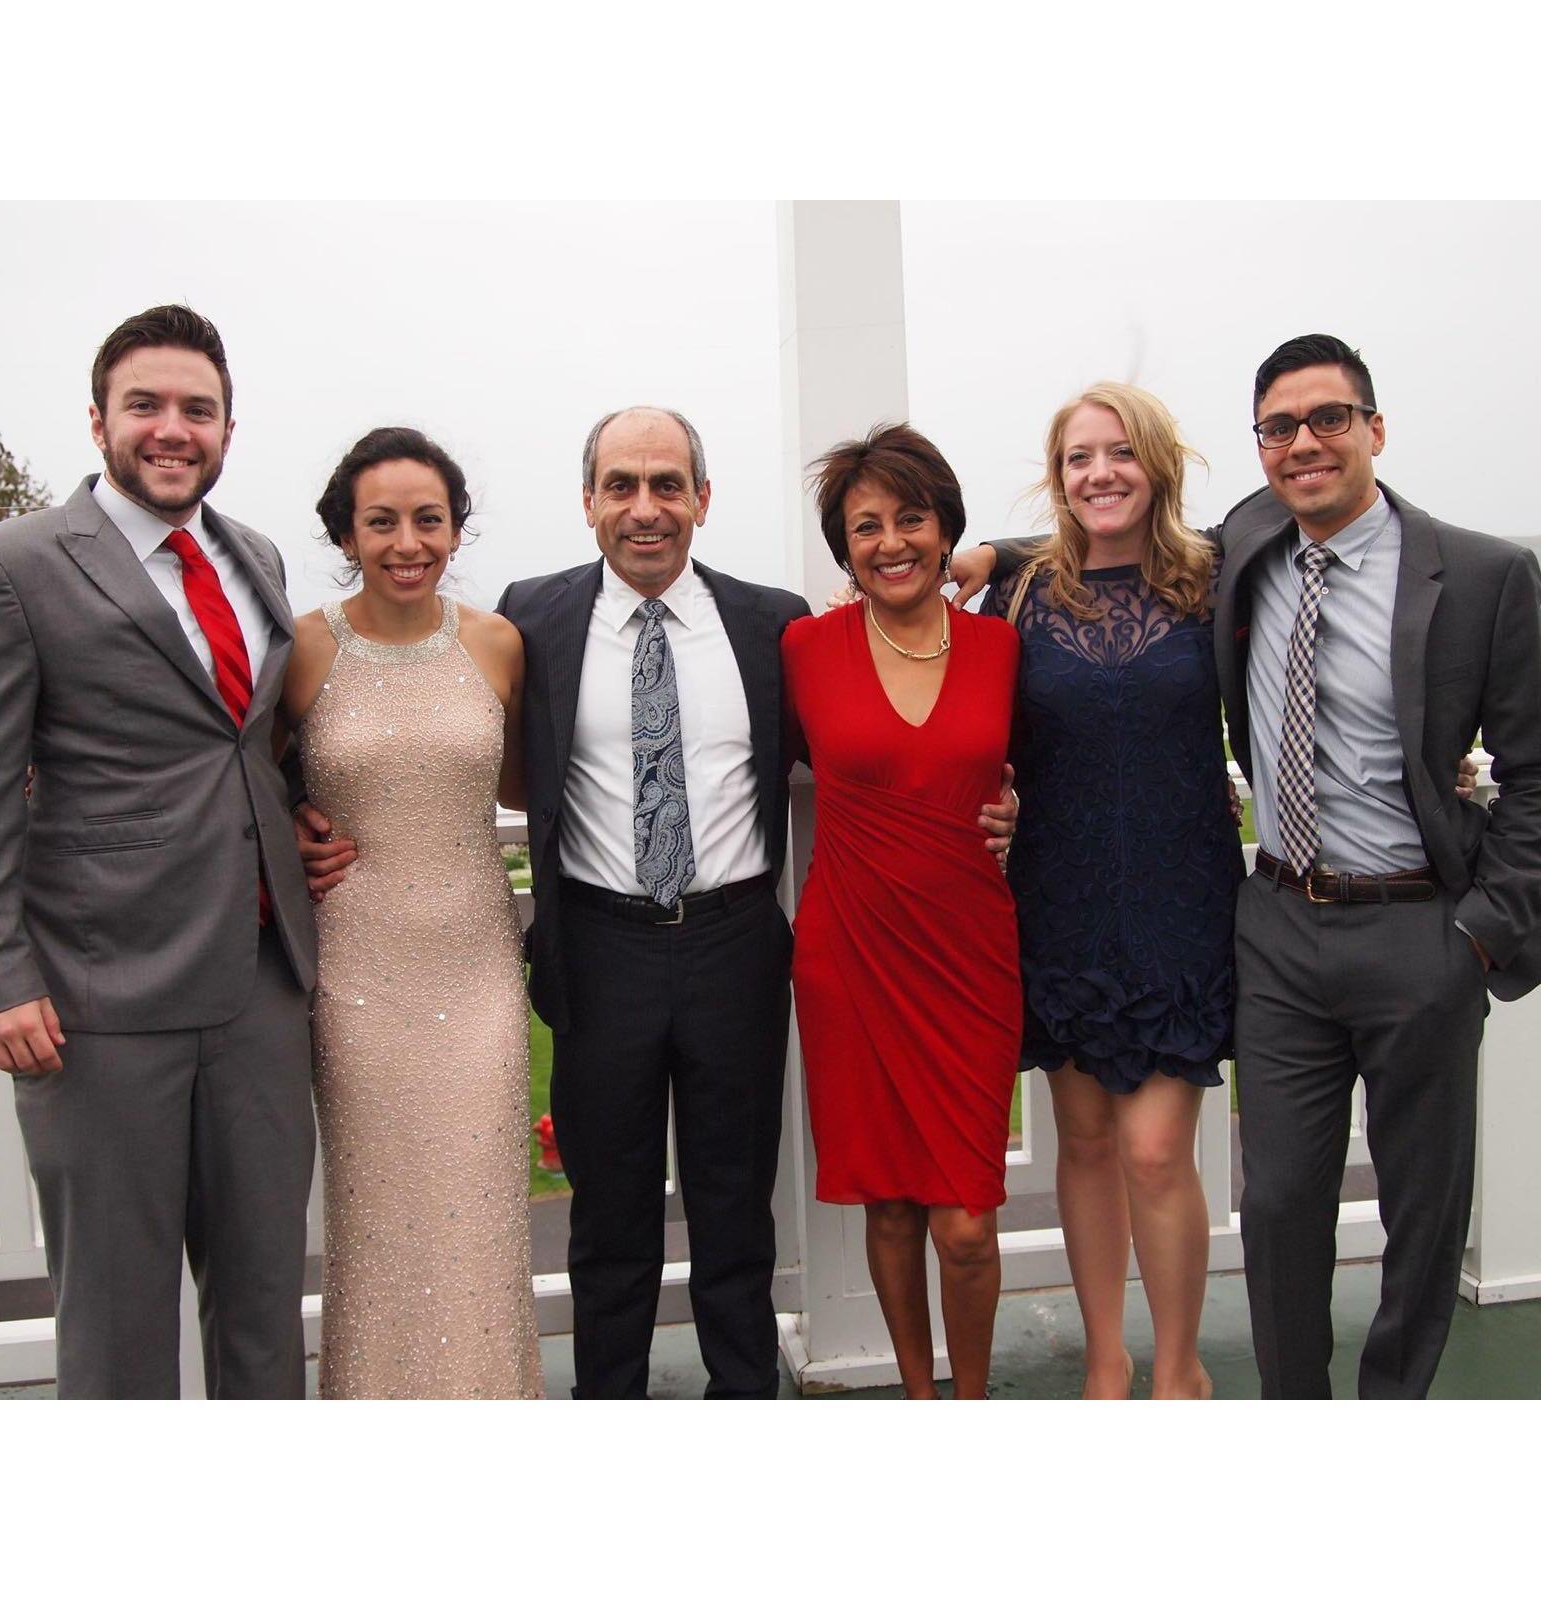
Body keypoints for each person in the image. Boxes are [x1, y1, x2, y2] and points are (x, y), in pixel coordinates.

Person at [0, 305, 317, 1398]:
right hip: (99, 998)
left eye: (197, 409)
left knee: (262, 1301)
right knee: (118, 1317)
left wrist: (297, 812)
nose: (171, 429)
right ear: (98, 418)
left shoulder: (255, 556)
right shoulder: (6, 567)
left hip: (260, 984)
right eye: (144, 404)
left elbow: (244, 737)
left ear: (228, 428)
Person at [1216, 334, 1541, 1398]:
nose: (1304, 443)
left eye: (1329, 419)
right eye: (1279, 427)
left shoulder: (1483, 575)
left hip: (1420, 930)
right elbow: (1123, 536)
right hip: (1279, 928)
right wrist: (996, 558)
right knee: (1276, 1205)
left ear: (1374, 429)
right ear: (1260, 446)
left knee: (1423, 1210)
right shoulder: (1248, 541)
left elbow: (1535, 773)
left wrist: (1480, 932)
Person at [494, 407, 809, 1399]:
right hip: (599, 952)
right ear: (588, 500)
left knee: (735, 1206)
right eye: (621, 485)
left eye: (667, 484)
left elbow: (864, 735)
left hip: (735, 946)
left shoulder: (773, 622)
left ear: (702, 500)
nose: (645, 508)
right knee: (609, 1215)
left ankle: (743, 1398)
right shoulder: (528, 617)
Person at [972, 385, 1239, 1400]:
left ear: (1157, 463)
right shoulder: (1019, 593)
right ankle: (1104, 1362)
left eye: (1119, 452)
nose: (1099, 474)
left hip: (1180, 903)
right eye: (1078, 458)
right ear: (1058, 476)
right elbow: (977, 726)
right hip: (1061, 901)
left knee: (1156, 1149)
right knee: (1083, 1144)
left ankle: (1179, 1371)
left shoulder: (1215, 580)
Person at [278, 426, 540, 1399]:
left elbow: (527, 785)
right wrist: (290, 823)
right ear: (346, 533)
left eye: (428, 519)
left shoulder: (496, 644)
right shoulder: (304, 646)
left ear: (456, 529)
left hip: (477, 972)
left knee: (481, 1210)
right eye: (380, 522)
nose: (406, 542)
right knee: (377, 1215)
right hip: (357, 976)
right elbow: (247, 781)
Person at [786, 423, 1022, 1399]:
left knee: (965, 1223)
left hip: (968, 960)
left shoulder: (1003, 647)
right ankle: (920, 1399)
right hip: (849, 955)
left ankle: (971, 1400)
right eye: (866, 526)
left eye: (911, 518)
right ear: (844, 548)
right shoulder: (805, 648)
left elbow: (1051, 766)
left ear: (946, 528)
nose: (891, 542)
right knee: (887, 1203)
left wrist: (1021, 806)